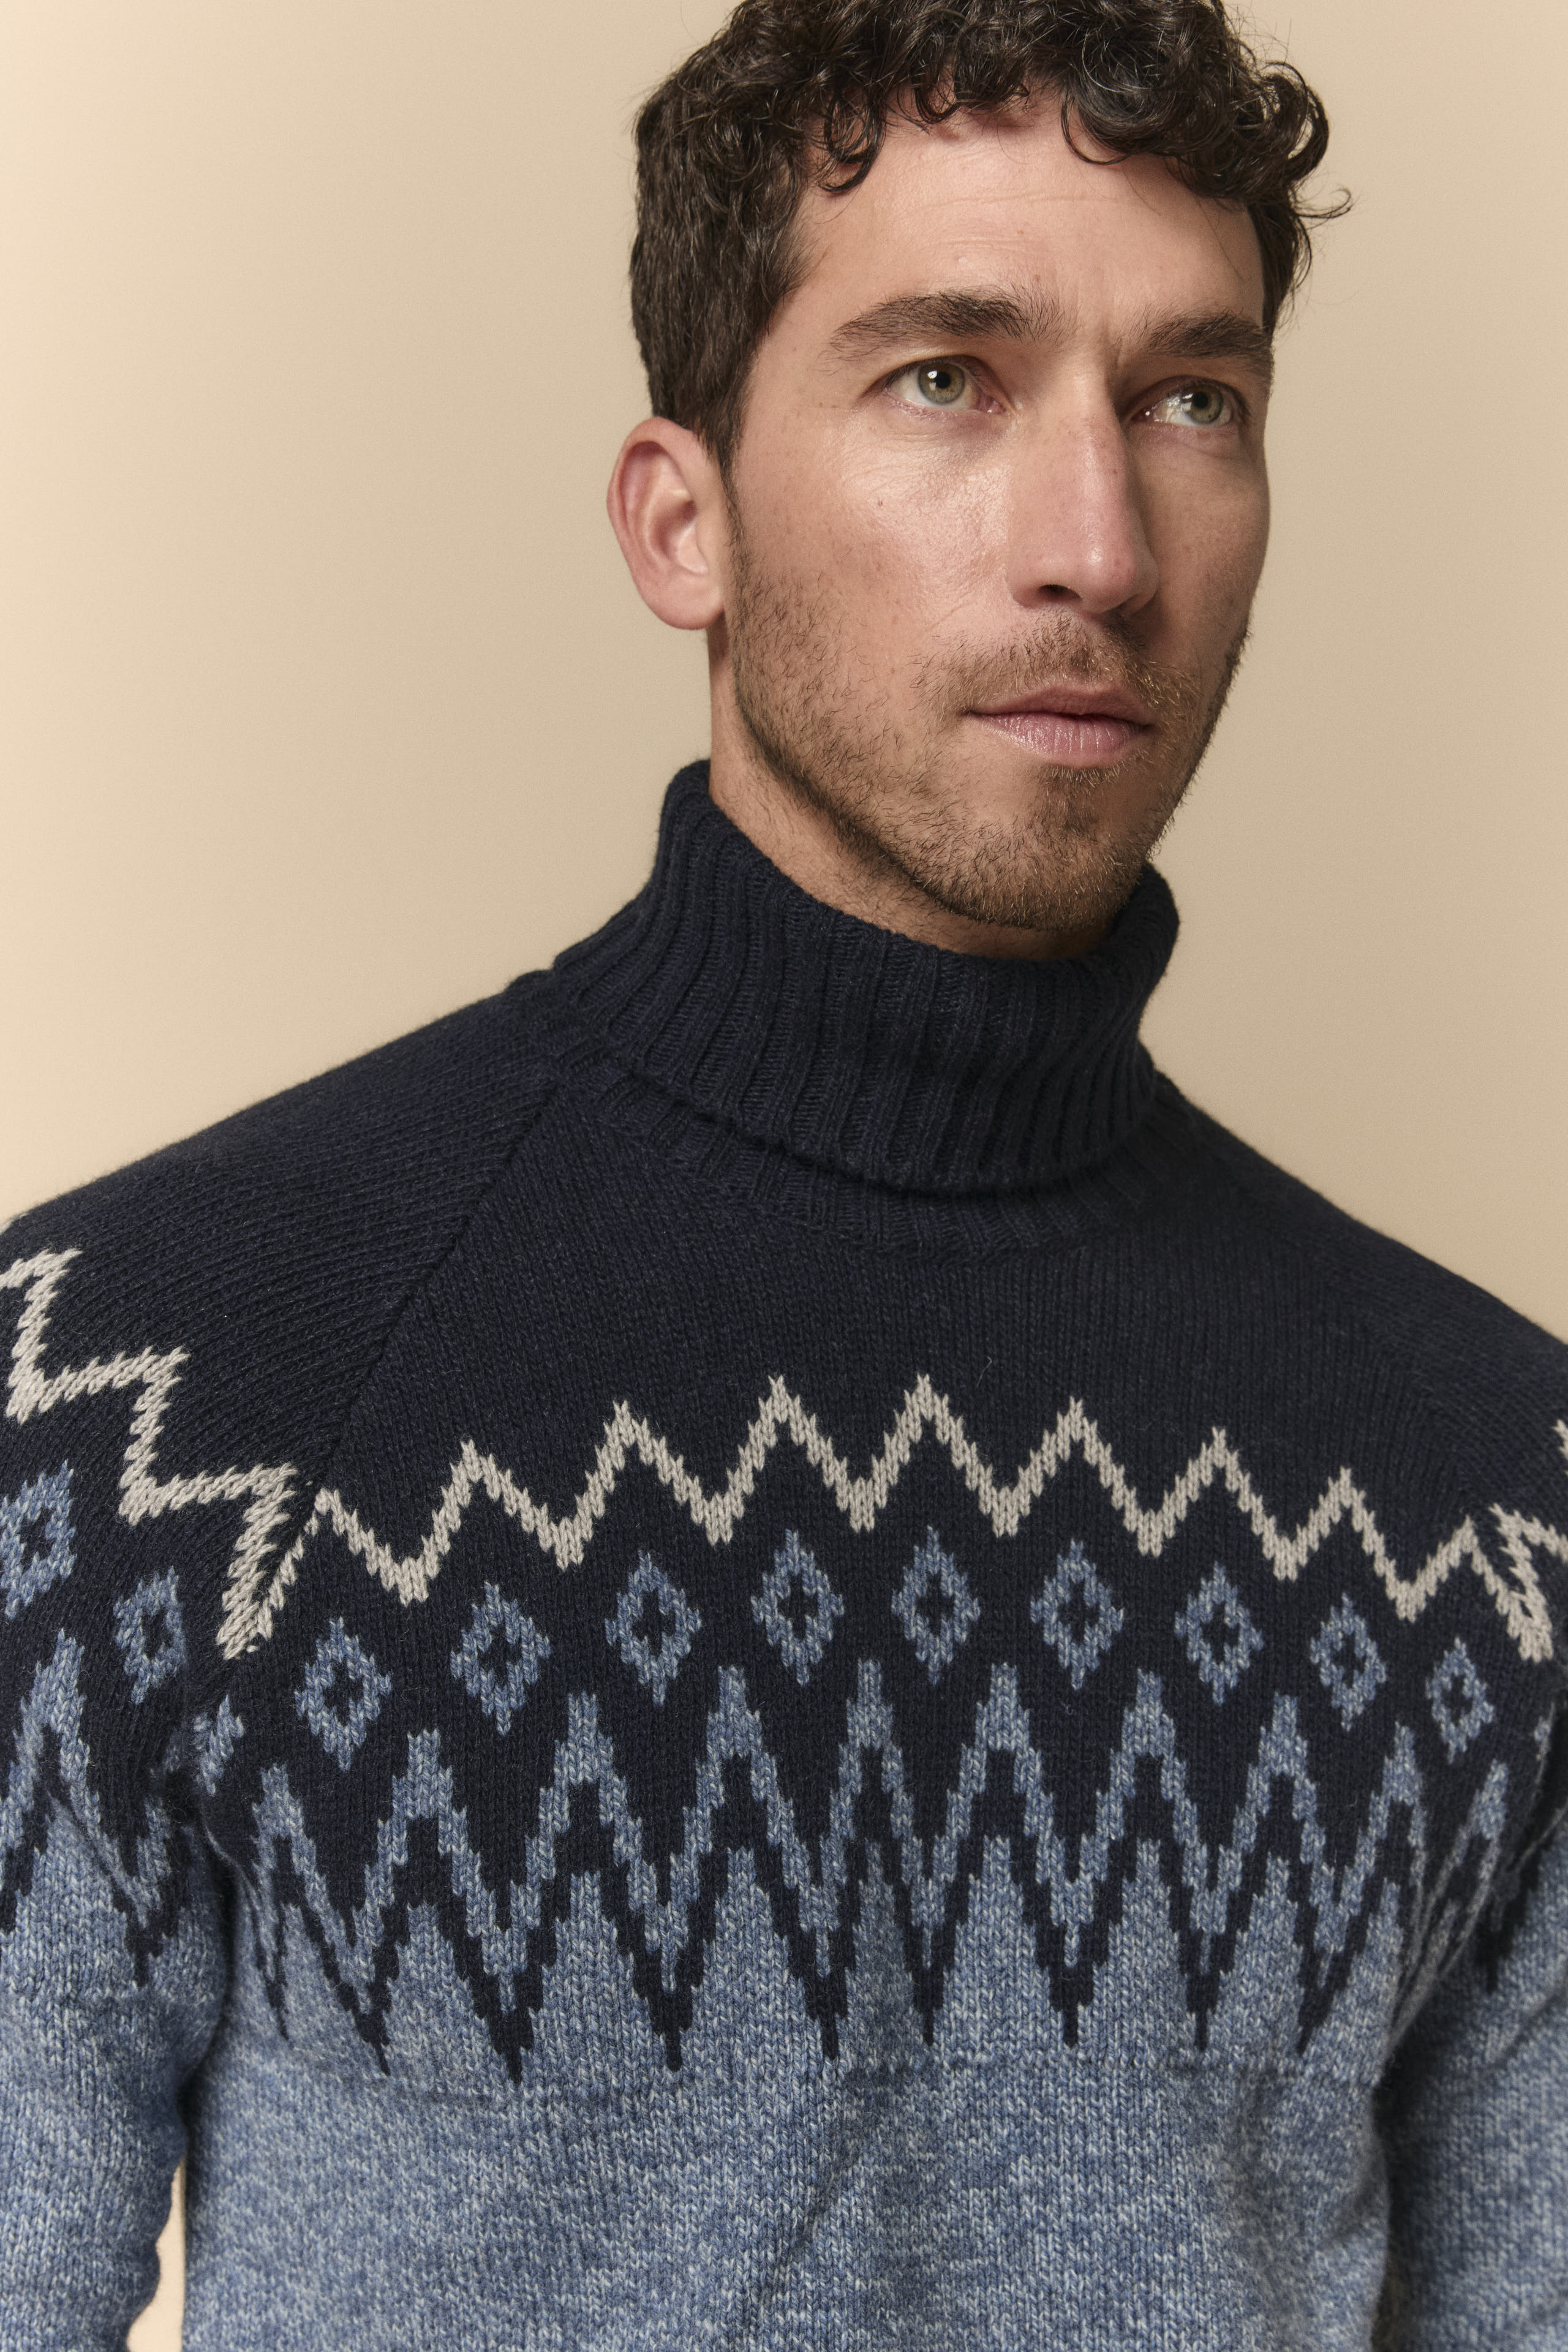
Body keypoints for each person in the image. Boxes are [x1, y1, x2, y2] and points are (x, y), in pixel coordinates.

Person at [2, 0, 1564, 2341]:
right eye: (947, 377)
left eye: (1191, 399)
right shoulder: (142, 1399)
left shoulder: (1500, 1500)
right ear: (683, 520)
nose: (1101, 545)